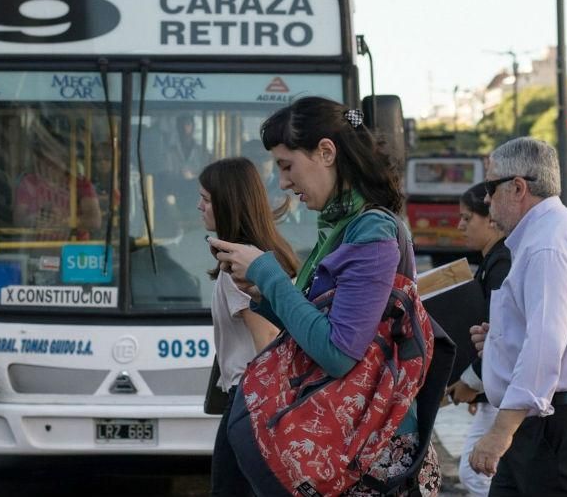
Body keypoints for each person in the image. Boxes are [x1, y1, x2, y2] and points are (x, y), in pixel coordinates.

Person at [208, 96, 442, 495]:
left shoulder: (370, 233)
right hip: (349, 442)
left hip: (366, 449)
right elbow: (318, 331)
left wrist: (268, 273)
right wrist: (266, 294)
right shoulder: (341, 227)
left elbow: (337, 352)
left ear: (326, 152)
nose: (283, 183)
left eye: (287, 166)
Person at [468, 137, 567, 495]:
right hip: (538, 422)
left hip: (547, 426)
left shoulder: (546, 244)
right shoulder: (548, 235)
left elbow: (546, 344)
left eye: (489, 187)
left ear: (517, 187)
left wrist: (500, 432)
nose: (485, 199)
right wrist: (500, 342)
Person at [198, 157, 299, 497]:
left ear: (228, 203)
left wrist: (270, 417)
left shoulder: (238, 267)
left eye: (207, 199)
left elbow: (268, 339)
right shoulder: (265, 253)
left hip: (250, 400)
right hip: (254, 399)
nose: (199, 206)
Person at [446, 182, 510, 497]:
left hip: (506, 390)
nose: (460, 225)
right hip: (495, 388)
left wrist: (473, 382)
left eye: (467, 217)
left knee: (475, 474)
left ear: (490, 218)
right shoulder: (493, 262)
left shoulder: (502, 263)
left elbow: (502, 332)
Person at [14, 137, 101, 240]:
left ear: (65, 160)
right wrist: (36, 219)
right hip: (36, 248)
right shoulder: (29, 182)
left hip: (73, 251)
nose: (49, 165)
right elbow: (18, 219)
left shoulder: (81, 184)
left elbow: (95, 221)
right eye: (44, 159)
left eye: (54, 160)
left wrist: (65, 221)